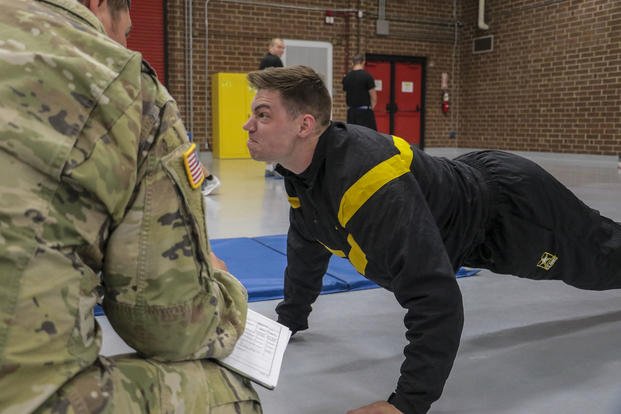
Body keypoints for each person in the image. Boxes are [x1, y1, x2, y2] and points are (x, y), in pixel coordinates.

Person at [242, 65, 621, 414]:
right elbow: (307, 245)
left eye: (262, 115)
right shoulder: (303, 175)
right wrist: (288, 321)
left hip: (514, 214)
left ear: (304, 126)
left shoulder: (370, 184)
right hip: (473, 185)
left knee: (603, 259)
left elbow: (436, 297)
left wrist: (406, 404)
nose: (248, 125)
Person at [0, 1, 261, 413]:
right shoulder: (125, 85)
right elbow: (169, 326)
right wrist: (225, 286)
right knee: (228, 389)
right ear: (99, 5)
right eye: (126, 32)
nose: (124, 45)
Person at [258, 38, 286, 178]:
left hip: (263, 102)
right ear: (271, 47)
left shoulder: (264, 61)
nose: (282, 50)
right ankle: (276, 168)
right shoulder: (275, 61)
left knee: (267, 134)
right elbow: (279, 82)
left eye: (283, 48)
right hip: (273, 103)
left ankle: (269, 168)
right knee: (276, 133)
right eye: (279, 47)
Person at [342, 54, 377, 130]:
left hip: (351, 112)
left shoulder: (346, 78)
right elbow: (373, 96)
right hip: (364, 112)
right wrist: (371, 108)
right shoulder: (367, 76)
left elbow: (346, 93)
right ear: (363, 62)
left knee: (353, 134)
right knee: (367, 135)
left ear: (352, 63)